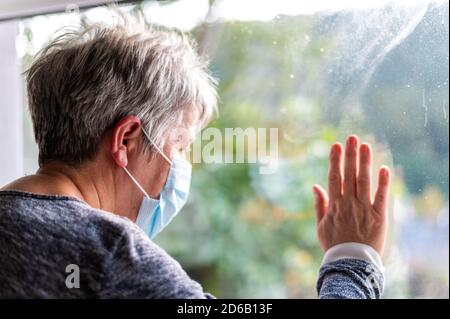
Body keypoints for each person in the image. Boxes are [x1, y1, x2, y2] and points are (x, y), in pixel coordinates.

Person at [0, 18, 390, 298]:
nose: (183, 167)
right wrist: (352, 258)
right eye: (181, 146)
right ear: (127, 138)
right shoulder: (111, 256)